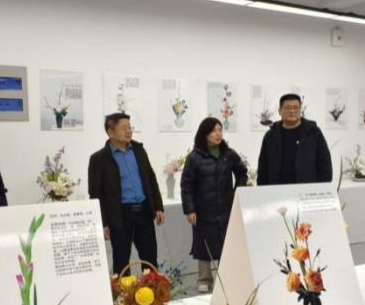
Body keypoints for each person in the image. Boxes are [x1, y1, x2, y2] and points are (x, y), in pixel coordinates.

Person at [88, 113, 165, 274]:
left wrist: (158, 206)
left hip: (144, 211)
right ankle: (123, 290)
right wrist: (103, 222)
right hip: (120, 215)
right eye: (124, 128)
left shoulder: (139, 150)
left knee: (150, 258)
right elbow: (96, 194)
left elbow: (151, 179)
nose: (129, 131)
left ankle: (152, 289)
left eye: (130, 127)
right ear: (111, 132)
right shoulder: (99, 159)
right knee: (121, 261)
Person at [181, 118, 248, 292]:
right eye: (213, 131)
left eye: (220, 130)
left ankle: (225, 278)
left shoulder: (229, 154)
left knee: (225, 243)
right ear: (205, 134)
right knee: (203, 244)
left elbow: (242, 172)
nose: (218, 134)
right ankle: (204, 279)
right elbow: (186, 185)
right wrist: (189, 209)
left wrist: (238, 191)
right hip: (203, 209)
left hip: (226, 207)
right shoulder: (194, 157)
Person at [257, 93, 332, 185]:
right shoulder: (270, 136)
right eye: (288, 107)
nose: (292, 111)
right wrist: (262, 190)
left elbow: (325, 165)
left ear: (300, 110)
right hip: (276, 190)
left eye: (296, 107)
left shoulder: (313, 133)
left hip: (307, 191)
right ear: (280, 111)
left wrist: (321, 189)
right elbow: (263, 168)